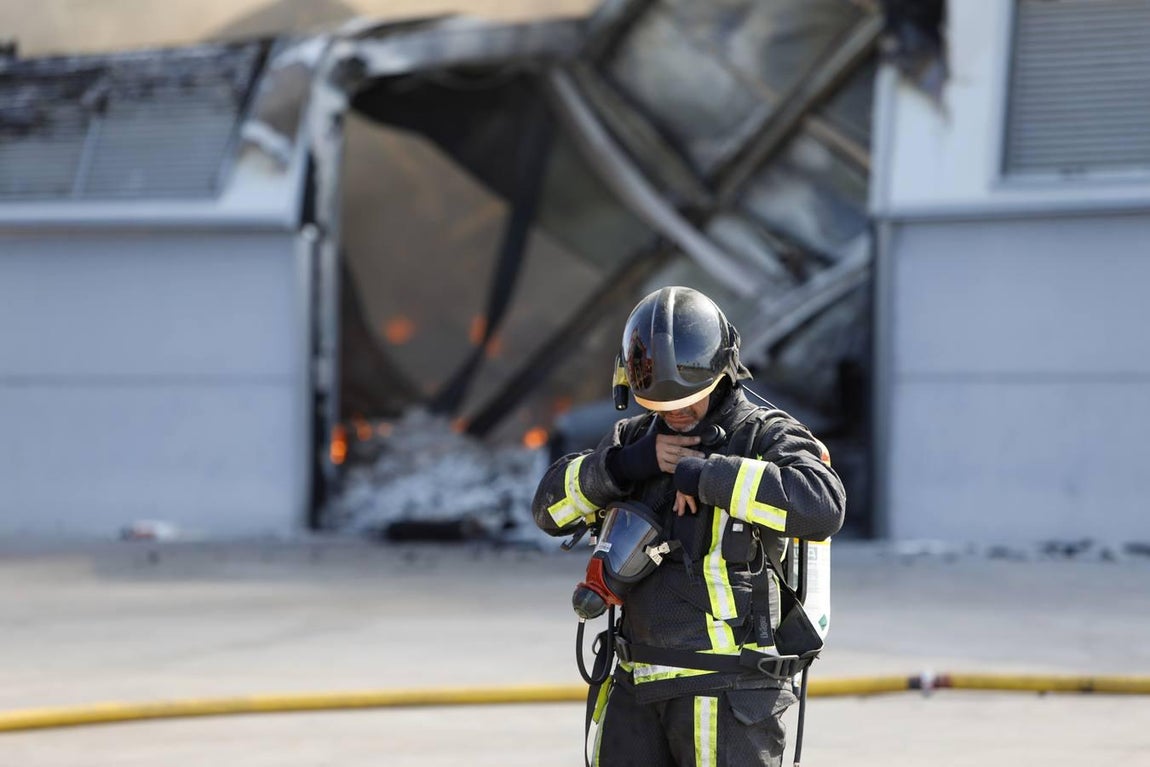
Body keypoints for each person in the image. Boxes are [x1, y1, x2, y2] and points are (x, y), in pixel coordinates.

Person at [532, 286, 845, 767]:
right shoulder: (634, 440)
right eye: (662, 403)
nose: (676, 413)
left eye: (689, 399)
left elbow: (822, 505)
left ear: (721, 374)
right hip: (634, 693)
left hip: (727, 691)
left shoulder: (764, 435)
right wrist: (624, 466)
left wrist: (708, 475)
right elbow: (549, 510)